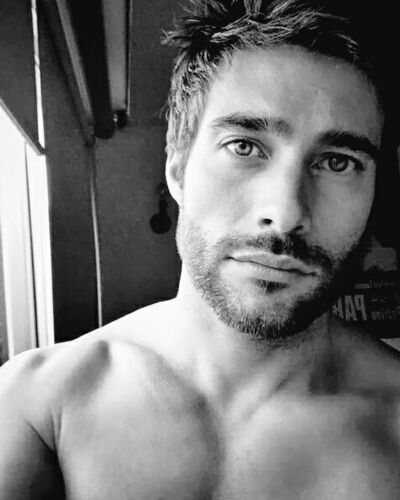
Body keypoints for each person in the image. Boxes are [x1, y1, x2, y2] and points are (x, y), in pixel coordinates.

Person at [1, 0, 400, 498]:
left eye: (338, 162)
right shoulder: (37, 405)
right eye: (244, 146)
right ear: (177, 168)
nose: (286, 212)